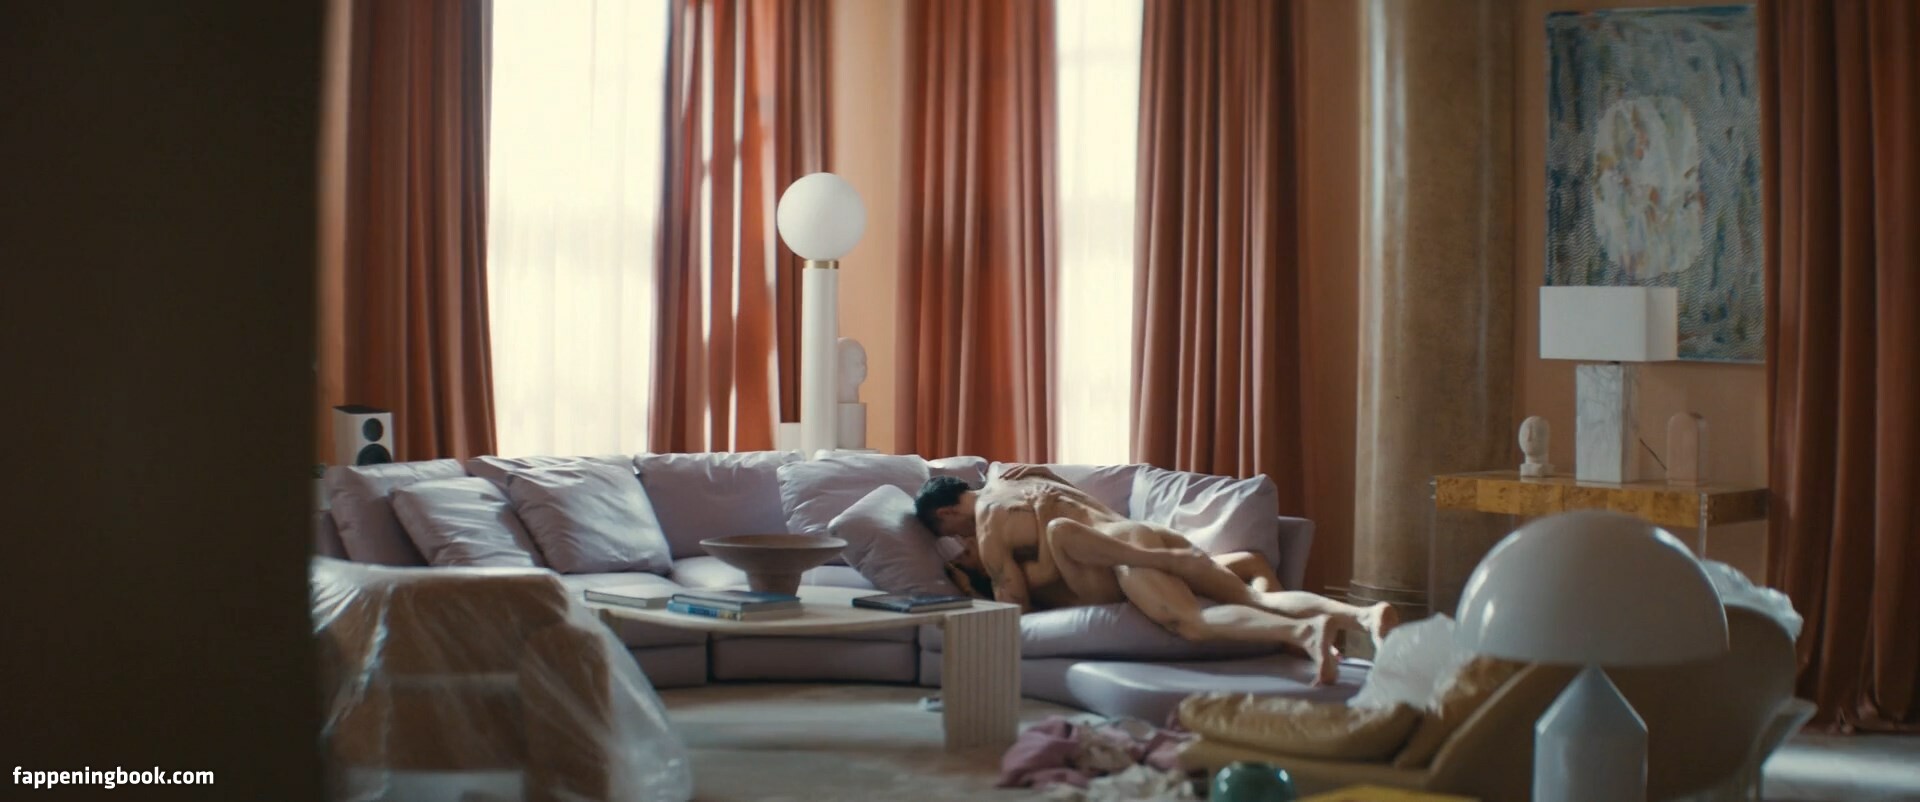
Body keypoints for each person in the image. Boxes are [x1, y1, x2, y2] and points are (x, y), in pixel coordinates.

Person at [914, 467, 1398, 685]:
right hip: (1143, 532)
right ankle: (1363, 615)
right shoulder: (1020, 477)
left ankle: (1305, 632)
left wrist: (974, 586)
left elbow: (1015, 611)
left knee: (1191, 623)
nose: (959, 538)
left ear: (946, 513)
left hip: (1128, 559)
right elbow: (1075, 504)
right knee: (1258, 599)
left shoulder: (989, 525)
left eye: (949, 532)